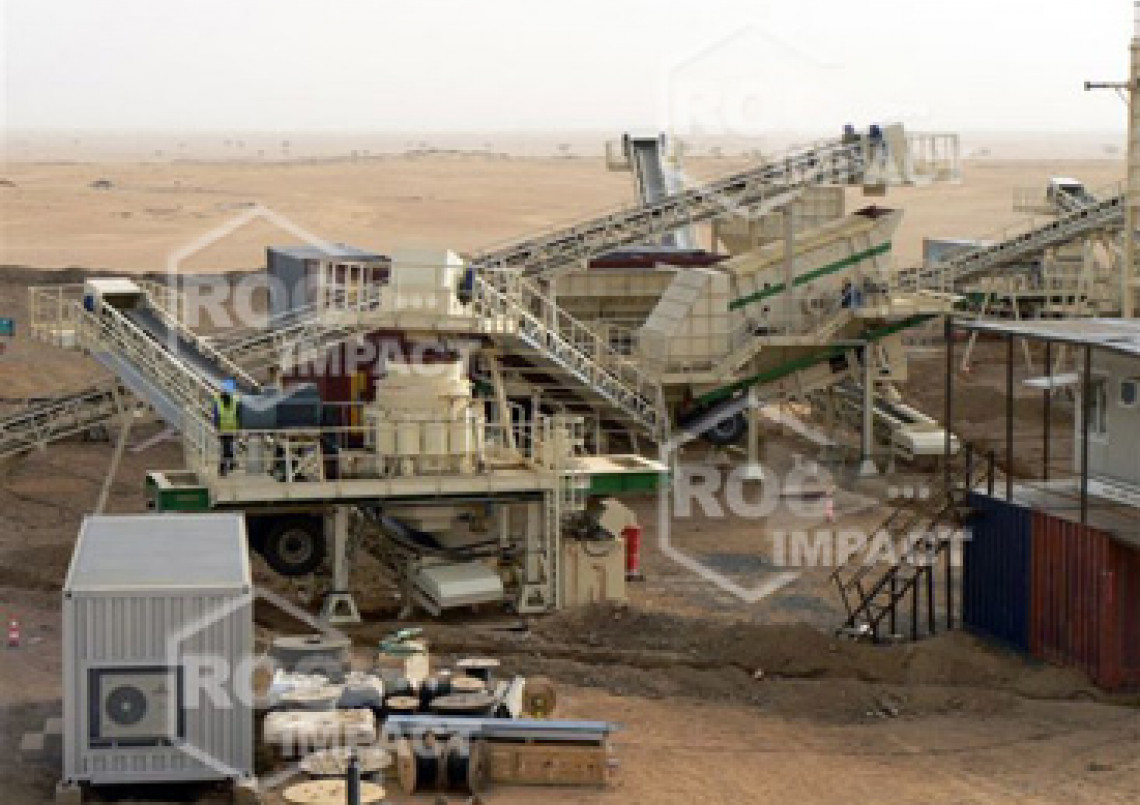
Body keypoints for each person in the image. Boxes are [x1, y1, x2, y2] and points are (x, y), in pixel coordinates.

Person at [212, 378, 241, 476]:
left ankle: (226, 466)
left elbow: (216, 415)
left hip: (225, 428)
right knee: (227, 448)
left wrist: (216, 427)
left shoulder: (219, 401)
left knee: (226, 448)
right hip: (229, 428)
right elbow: (238, 415)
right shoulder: (234, 401)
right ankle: (226, 465)